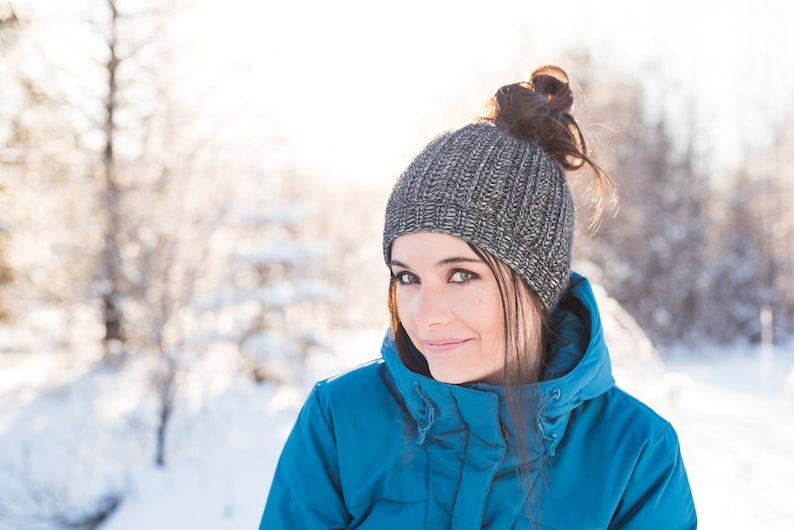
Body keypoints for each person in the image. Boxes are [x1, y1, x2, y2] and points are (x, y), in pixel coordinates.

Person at [259, 65, 697, 529]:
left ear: (538, 283)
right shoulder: (339, 421)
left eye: (462, 275)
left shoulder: (636, 456)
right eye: (407, 278)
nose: (426, 316)